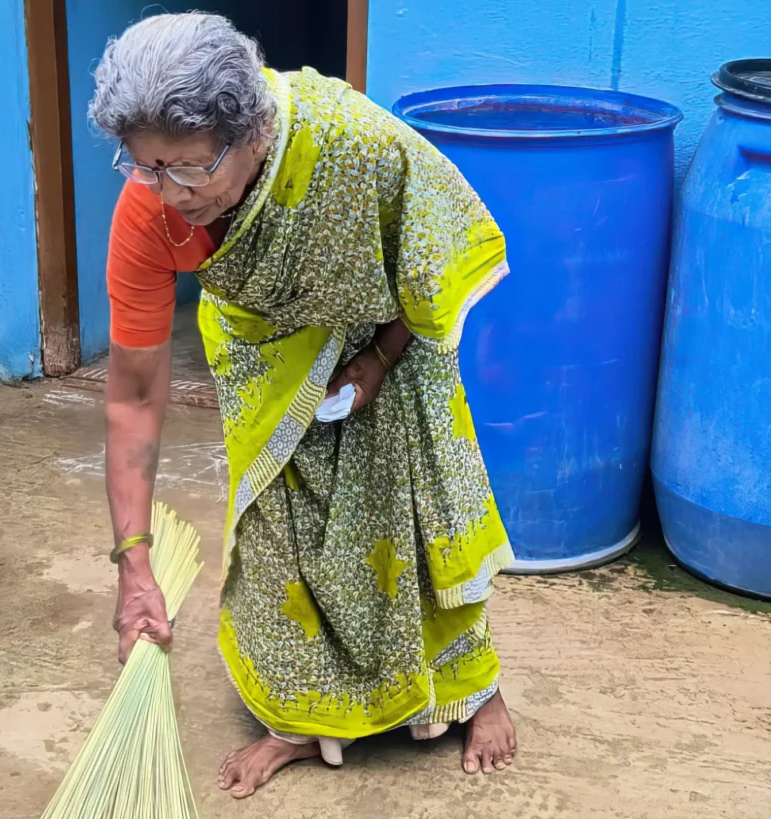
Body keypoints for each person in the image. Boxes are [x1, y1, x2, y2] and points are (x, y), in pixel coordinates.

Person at [91, 12, 517, 799]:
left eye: (190, 167)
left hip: (385, 333)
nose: (170, 193)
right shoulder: (148, 212)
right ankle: (299, 715)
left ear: (252, 133)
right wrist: (135, 561)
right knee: (275, 528)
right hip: (265, 352)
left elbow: (434, 249)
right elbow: (135, 395)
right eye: (147, 166)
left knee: (411, 513)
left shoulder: (350, 145)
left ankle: (472, 690)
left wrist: (379, 357)